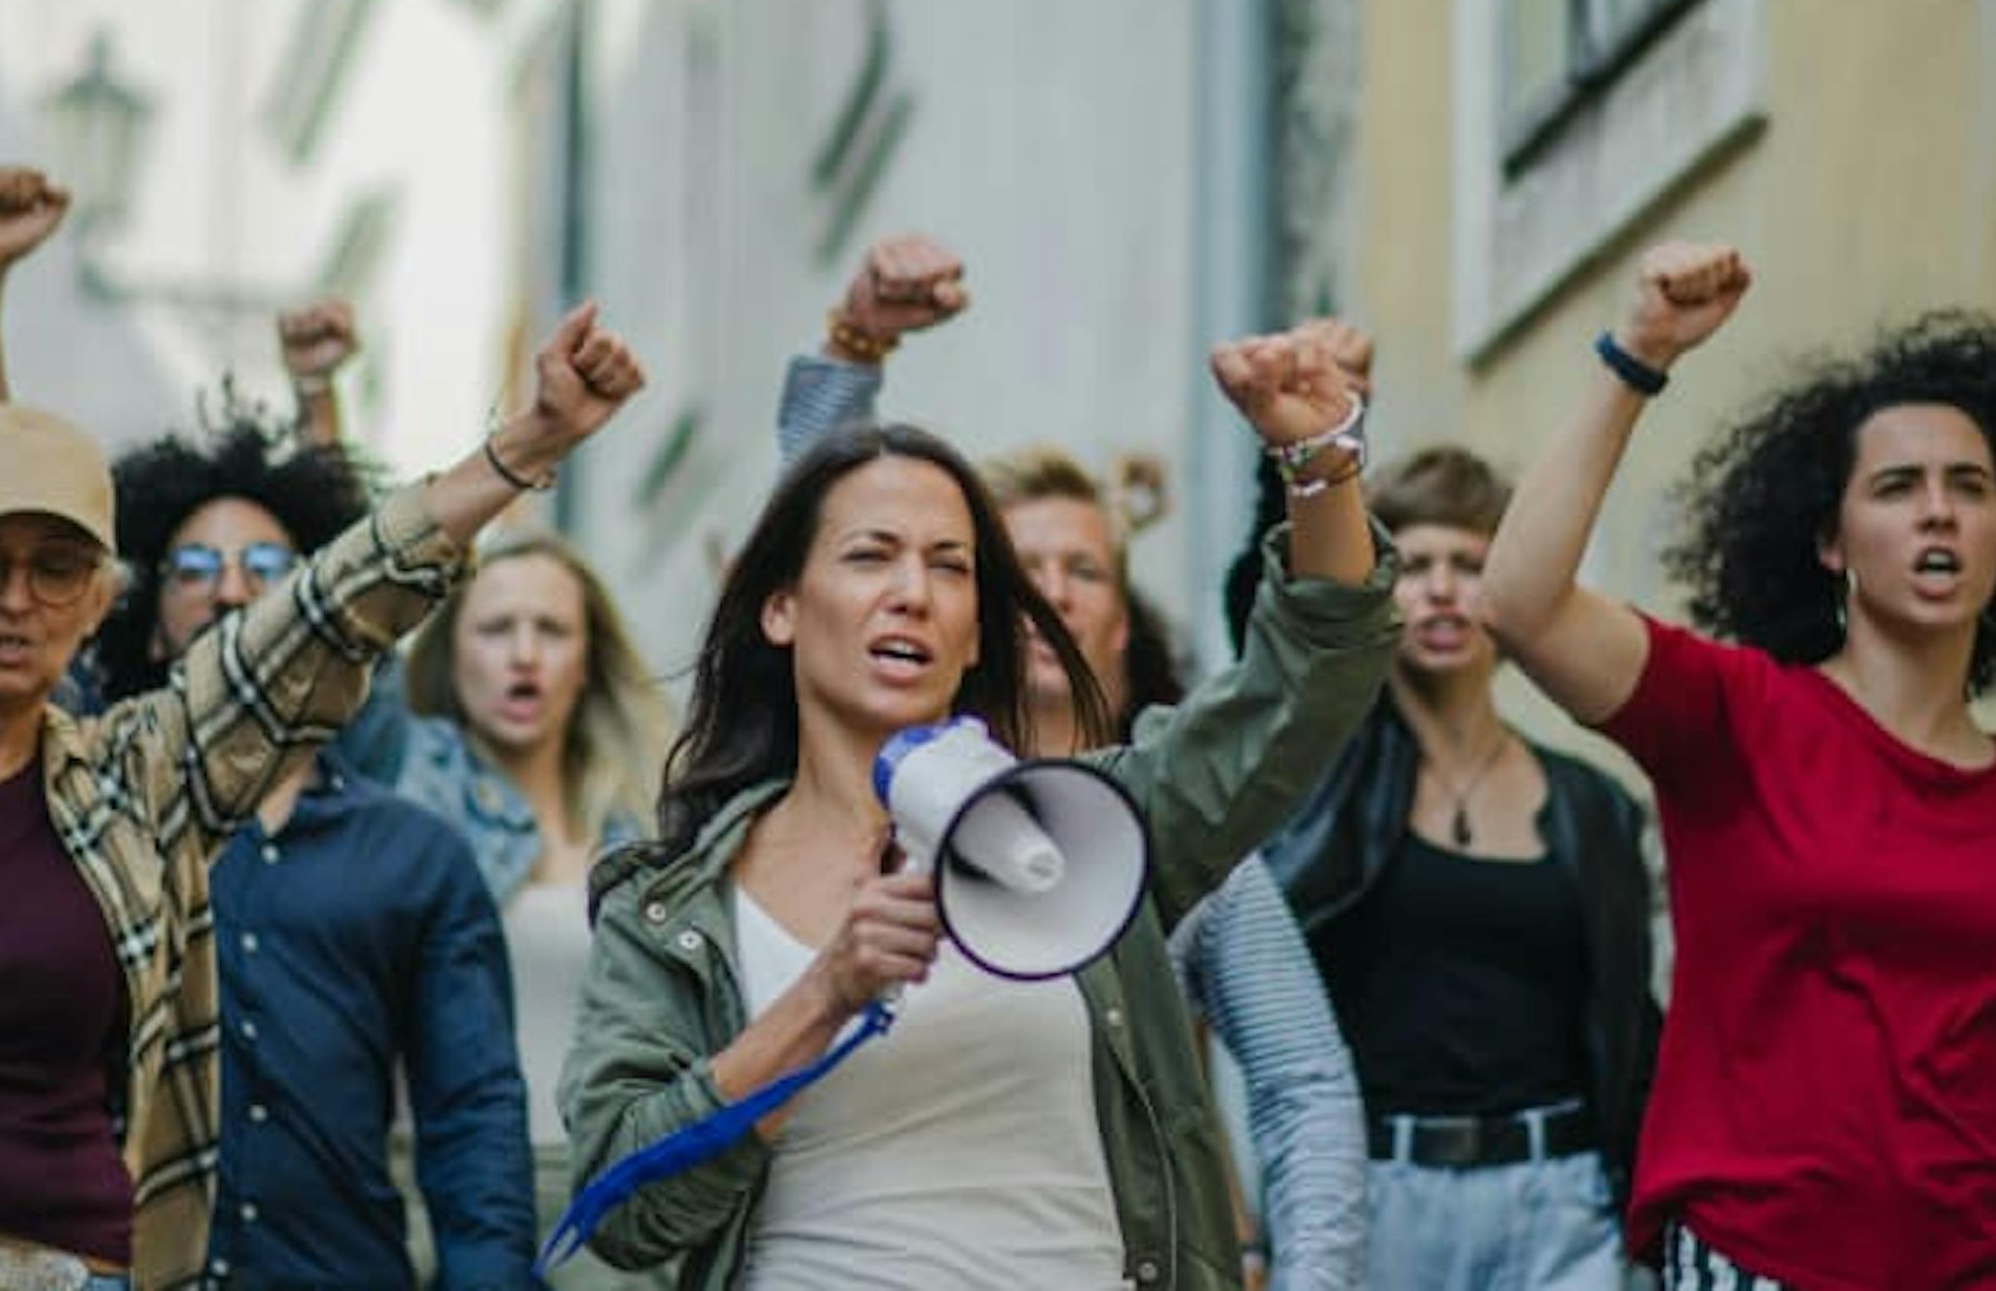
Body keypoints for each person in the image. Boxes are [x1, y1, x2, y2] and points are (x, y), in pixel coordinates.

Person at [0, 167, 646, 1290]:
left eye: (57, 568)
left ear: (97, 599)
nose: (16, 598)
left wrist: (517, 448)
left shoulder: (134, 782)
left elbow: (324, 609)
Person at [561, 317, 1401, 1290]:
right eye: (872, 556)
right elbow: (620, 1204)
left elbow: (1303, 686)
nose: (913, 592)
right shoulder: (674, 907)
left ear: (975, 635)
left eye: (950, 565)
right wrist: (824, 995)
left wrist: (1319, 462)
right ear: (782, 608)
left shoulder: (1082, 833)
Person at [1477, 242, 1996, 1287]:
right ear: (1831, 542)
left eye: (1968, 486)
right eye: (1897, 486)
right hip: (1759, 1260)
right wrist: (1639, 354)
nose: (1937, 509)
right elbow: (1519, 603)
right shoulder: (1734, 716)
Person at [779, 234, 1369, 1288]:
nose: (1051, 592)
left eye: (1082, 568)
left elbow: (1303, 1080)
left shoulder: (1169, 824)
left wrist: (1309, 1276)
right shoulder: (872, 787)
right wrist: (854, 343)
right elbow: (819, 545)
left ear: (1120, 615)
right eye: (1024, 568)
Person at [98, 399, 535, 1287]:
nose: (231, 589)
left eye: (266, 566)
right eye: (194, 567)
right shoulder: (94, 823)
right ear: (150, 621)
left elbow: (472, 1117)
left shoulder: (418, 855)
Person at [1240, 443, 1660, 1291]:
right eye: (1414, 563)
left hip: (1562, 1196)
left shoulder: (1594, 804)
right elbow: (1281, 629)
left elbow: (1635, 1026)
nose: (1439, 588)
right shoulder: (1326, 782)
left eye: (1470, 564)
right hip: (1377, 1192)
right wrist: (1308, 457)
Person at [361, 528, 670, 1290]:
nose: (524, 653)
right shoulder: (408, 785)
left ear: (588, 656)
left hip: (609, 1185)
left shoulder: (646, 821)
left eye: (552, 629)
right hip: (432, 1180)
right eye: (497, 628)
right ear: (451, 653)